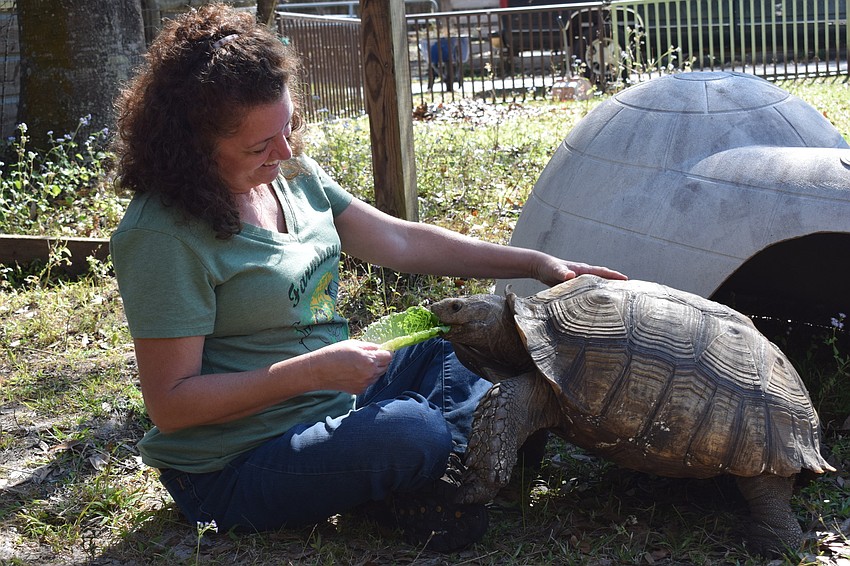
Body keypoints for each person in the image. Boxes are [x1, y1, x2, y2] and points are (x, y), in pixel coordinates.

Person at [109, 2, 626, 553]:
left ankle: (417, 476)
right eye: (259, 146)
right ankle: (432, 464)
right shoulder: (162, 234)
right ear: (191, 147)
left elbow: (402, 240)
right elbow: (171, 404)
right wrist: (309, 374)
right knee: (411, 430)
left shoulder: (295, 176)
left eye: (288, 128)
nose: (284, 153)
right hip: (238, 462)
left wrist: (534, 264)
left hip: (336, 399)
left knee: (473, 340)